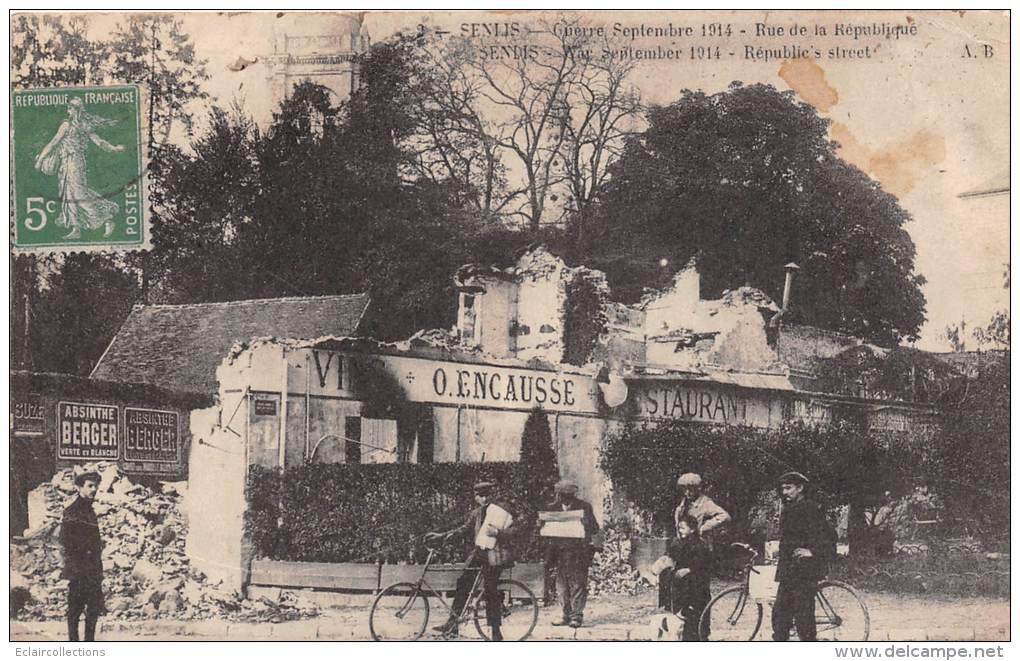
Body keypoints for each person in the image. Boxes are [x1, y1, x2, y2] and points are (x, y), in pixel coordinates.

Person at [424, 481, 515, 641]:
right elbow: (464, 529)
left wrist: (498, 533)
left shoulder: (502, 510)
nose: (484, 498)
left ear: (491, 495)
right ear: (477, 497)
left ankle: (496, 631)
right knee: (463, 583)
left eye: (487, 495)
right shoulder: (476, 513)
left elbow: (515, 531)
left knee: (490, 589)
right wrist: (443, 536)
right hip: (479, 553)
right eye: (481, 495)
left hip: (495, 554)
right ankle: (452, 625)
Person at [34, 97, 125, 239]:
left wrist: (114, 148)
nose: (68, 111)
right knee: (68, 194)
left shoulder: (79, 125)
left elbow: (99, 142)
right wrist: (114, 148)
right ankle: (76, 229)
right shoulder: (70, 125)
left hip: (76, 163)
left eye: (70, 108)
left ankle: (107, 219)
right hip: (66, 163)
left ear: (75, 110)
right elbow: (54, 143)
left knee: (78, 193)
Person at [771, 471, 836, 642]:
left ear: (800, 488)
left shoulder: (811, 509)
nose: (785, 492)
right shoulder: (788, 509)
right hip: (788, 570)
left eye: (789, 488)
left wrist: (812, 552)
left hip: (805, 570)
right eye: (783, 489)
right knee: (779, 615)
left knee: (803, 618)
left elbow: (829, 536)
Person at [542, 480, 600, 628]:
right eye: (562, 496)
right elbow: (546, 532)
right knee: (562, 586)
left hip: (578, 553)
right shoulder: (552, 509)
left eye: (569, 496)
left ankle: (576, 616)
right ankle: (565, 614)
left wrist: (585, 522)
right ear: (558, 495)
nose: (566, 500)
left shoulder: (584, 507)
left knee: (578, 585)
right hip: (560, 553)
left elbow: (594, 529)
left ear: (573, 495)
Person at [61, 471, 105, 642]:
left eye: (96, 486)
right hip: (79, 570)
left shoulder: (90, 511)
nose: (94, 489)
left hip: (92, 571)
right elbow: (66, 542)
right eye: (90, 486)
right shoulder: (72, 511)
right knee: (75, 611)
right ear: (79, 488)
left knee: (93, 610)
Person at [657, 515, 712, 641]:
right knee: (682, 619)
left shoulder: (700, 545)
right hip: (683, 587)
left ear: (692, 529)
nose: (680, 531)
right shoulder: (678, 543)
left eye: (682, 528)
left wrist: (689, 570)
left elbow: (706, 566)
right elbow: (672, 558)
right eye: (679, 528)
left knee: (696, 619)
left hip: (697, 587)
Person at [674, 473, 731, 548]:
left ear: (698, 488)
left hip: (700, 547)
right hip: (683, 546)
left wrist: (704, 528)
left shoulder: (705, 504)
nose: (687, 492)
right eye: (684, 489)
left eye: (691, 488)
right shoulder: (682, 505)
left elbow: (725, 516)